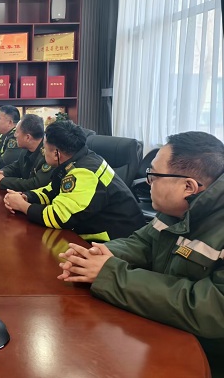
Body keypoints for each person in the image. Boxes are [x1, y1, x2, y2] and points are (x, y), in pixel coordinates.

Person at [57, 131, 224, 374]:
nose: (148, 182)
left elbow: (213, 308)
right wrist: (96, 255)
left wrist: (109, 274)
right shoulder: (177, 209)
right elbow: (143, 243)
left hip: (205, 359)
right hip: (165, 332)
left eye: (154, 176)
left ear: (188, 186)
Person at [4, 120, 144, 241]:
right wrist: (27, 196)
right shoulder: (80, 158)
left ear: (56, 154)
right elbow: (53, 189)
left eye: (44, 148)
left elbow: (59, 217)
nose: (43, 152)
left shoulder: (84, 173)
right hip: (93, 228)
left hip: (114, 240)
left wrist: (22, 206)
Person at [0, 114, 53, 191]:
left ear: (27, 137)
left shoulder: (48, 153)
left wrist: (2, 181)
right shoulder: (26, 150)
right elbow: (16, 167)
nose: (15, 135)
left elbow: (36, 184)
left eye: (17, 132)